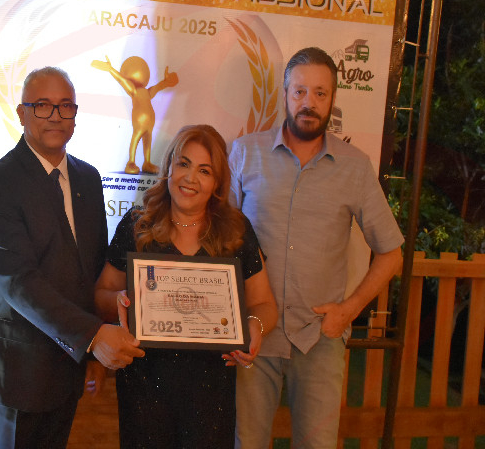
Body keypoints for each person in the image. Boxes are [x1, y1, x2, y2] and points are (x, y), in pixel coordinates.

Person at [0, 67, 145, 449]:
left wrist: (92, 353)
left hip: (67, 370)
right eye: (43, 105)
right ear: (22, 113)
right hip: (12, 374)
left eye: (65, 106)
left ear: (75, 115)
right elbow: (18, 283)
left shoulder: (88, 179)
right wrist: (93, 337)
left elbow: (91, 273)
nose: (56, 116)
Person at [230, 47, 404, 449]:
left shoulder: (355, 166)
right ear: (285, 94)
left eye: (320, 93)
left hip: (320, 338)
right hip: (254, 335)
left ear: (333, 98)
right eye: (300, 91)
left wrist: (349, 310)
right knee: (246, 443)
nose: (309, 102)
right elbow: (220, 245)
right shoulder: (245, 153)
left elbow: (391, 253)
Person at [95, 124, 278, 449]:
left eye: (204, 170)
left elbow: (265, 305)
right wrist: (120, 301)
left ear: (217, 182)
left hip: (211, 394)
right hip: (144, 389)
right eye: (183, 164)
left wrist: (255, 325)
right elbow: (101, 295)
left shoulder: (236, 231)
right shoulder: (137, 224)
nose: (190, 178)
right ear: (169, 167)